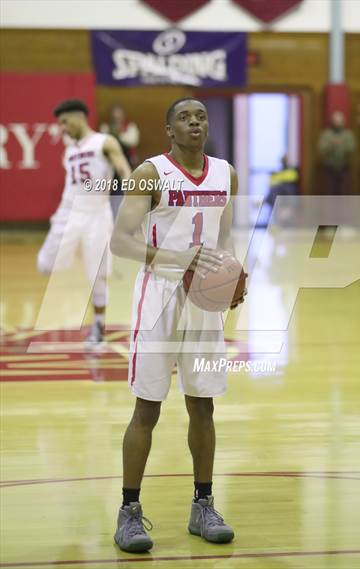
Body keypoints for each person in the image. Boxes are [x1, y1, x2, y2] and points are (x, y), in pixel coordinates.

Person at [110, 97, 246, 553]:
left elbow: (224, 237)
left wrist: (229, 274)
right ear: (168, 129)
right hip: (160, 296)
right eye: (184, 117)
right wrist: (178, 259)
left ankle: (203, 504)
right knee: (147, 408)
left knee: (202, 406)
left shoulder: (226, 173)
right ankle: (129, 512)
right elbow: (121, 242)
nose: (194, 122)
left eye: (201, 116)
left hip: (203, 300)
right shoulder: (150, 172)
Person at [37, 99, 132, 346]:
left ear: (78, 117)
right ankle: (76, 266)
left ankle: (98, 326)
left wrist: (133, 193)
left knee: (98, 276)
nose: (63, 128)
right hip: (68, 212)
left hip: (97, 213)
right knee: (44, 264)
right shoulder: (69, 150)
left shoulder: (104, 141)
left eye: (65, 122)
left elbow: (123, 168)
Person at [318, 110, 356, 195]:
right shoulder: (327, 134)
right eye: (336, 121)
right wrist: (332, 145)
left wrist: (341, 145)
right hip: (330, 169)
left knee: (344, 193)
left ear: (343, 122)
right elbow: (322, 150)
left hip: (344, 168)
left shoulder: (348, 134)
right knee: (330, 193)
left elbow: (351, 149)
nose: (337, 123)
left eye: (339, 121)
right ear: (332, 122)